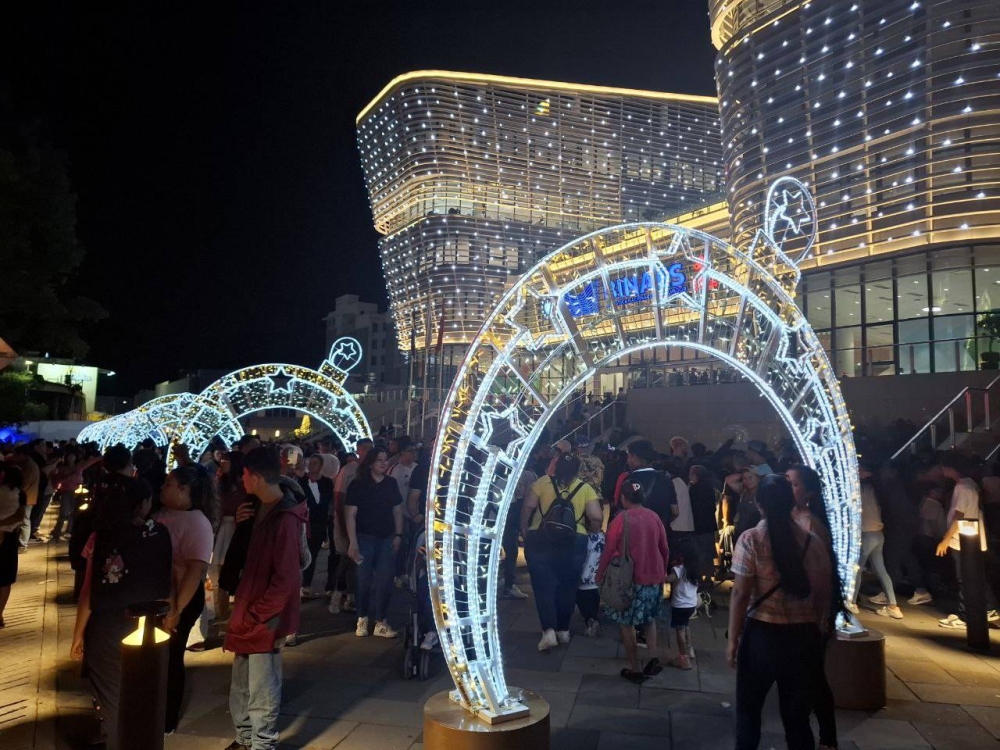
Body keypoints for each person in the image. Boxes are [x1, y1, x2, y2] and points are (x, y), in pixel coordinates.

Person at [69, 456, 171, 750]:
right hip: (150, 623)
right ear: (142, 504)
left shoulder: (101, 537)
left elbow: (89, 592)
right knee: (144, 694)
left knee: (113, 695)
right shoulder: (159, 534)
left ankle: (115, 741)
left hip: (108, 624)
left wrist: (78, 636)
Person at [727, 474, 832, 750]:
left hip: (763, 634)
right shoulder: (812, 542)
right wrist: (817, 625)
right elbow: (823, 592)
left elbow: (740, 594)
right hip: (803, 636)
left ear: (759, 503)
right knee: (797, 718)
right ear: (789, 502)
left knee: (749, 712)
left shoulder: (751, 540)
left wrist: (733, 639)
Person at [225, 446, 307, 750]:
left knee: (262, 683)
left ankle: (262, 743)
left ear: (256, 476)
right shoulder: (257, 506)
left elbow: (287, 576)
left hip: (263, 612)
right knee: (243, 680)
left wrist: (259, 613)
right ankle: (245, 738)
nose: (242, 479)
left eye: (245, 474)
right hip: (250, 606)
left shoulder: (285, 517)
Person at [156, 464, 218, 734]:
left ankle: (167, 718)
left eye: (169, 484)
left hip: (180, 599)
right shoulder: (163, 513)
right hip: (159, 596)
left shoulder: (197, 522)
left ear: (185, 490)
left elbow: (195, 570)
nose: (162, 487)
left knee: (170, 658)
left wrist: (175, 610)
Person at [521, 453, 603, 651]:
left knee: (542, 587)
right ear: (577, 470)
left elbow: (527, 507)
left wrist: (525, 530)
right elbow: (596, 517)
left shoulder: (542, 482)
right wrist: (590, 530)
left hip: (541, 538)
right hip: (574, 541)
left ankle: (548, 631)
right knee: (567, 586)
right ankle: (563, 630)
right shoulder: (585, 488)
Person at [785, 464, 841, 750]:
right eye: (786, 481)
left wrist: (820, 619)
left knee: (813, 677)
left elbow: (822, 578)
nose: (788, 487)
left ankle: (827, 739)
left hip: (810, 614)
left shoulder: (811, 525)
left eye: (794, 484)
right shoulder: (787, 519)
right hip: (793, 611)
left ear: (808, 492)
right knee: (802, 677)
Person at [596, 479, 670, 683]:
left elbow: (609, 549)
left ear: (623, 498)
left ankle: (635, 668)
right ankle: (651, 658)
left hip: (629, 580)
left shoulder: (621, 520)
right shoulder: (654, 516)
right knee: (649, 619)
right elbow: (664, 548)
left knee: (626, 623)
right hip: (653, 577)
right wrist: (662, 572)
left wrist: (600, 574)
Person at [345, 447, 403, 638]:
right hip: (364, 538)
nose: (384, 463)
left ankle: (381, 620)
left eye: (385, 459)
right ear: (370, 463)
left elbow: (397, 510)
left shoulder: (391, 483)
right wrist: (352, 542)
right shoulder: (358, 484)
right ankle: (362, 617)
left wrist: (398, 534)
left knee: (385, 580)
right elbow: (350, 514)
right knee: (363, 579)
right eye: (379, 460)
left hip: (386, 537)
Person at [936, 452, 997, 628]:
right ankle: (987, 608)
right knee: (975, 575)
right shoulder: (971, 485)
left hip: (962, 539)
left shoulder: (962, 488)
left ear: (949, 468)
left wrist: (946, 539)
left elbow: (959, 515)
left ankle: (966, 615)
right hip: (974, 537)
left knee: (965, 577)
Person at [850, 462, 902, 619]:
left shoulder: (862, 489)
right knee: (881, 570)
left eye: (859, 469)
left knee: (856, 569)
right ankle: (893, 605)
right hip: (878, 532)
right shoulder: (877, 489)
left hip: (866, 533)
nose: (856, 471)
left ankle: (851, 602)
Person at [213, 451, 247, 622]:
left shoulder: (244, 485)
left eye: (226, 461)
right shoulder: (220, 482)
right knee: (222, 577)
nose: (222, 463)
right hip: (224, 529)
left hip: (239, 529)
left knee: (240, 575)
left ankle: (237, 616)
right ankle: (224, 617)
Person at [298, 454, 333, 599]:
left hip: (319, 523)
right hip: (304, 523)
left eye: (315, 463)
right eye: (310, 463)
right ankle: (303, 584)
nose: (312, 466)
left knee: (313, 553)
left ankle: (306, 584)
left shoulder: (327, 482)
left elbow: (327, 502)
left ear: (321, 465)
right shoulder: (302, 481)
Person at [502, 456, 536, 600]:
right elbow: (529, 499)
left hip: (495, 517)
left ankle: (506, 582)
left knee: (506, 551)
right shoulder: (528, 475)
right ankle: (509, 585)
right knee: (511, 551)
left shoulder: (500, 474)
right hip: (512, 518)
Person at [667, 535, 701, 670]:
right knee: (686, 626)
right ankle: (689, 650)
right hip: (691, 604)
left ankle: (683, 659)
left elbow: (669, 579)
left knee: (679, 632)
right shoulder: (695, 569)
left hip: (679, 605)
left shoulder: (679, 568)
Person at [0, 465, 27, 628]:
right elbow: (20, 516)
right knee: (5, 579)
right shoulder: (20, 495)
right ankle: (0, 614)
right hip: (9, 538)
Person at [688, 465, 718, 582]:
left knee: (699, 552)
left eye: (691, 473)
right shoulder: (709, 487)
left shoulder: (694, 489)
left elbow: (692, 507)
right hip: (709, 524)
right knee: (708, 551)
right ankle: (709, 576)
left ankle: (699, 577)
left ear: (695, 475)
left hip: (697, 525)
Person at [577, 525, 605, 637]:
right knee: (594, 600)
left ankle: (591, 621)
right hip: (596, 577)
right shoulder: (602, 536)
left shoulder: (581, 537)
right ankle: (593, 619)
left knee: (582, 600)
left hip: (583, 578)